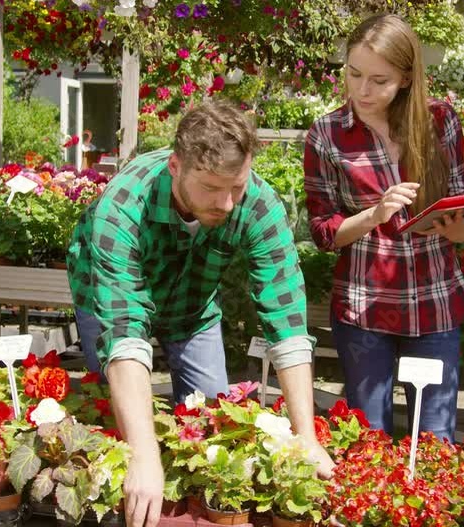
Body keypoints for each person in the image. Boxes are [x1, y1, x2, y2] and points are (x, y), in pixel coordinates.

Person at [67, 101, 335, 527]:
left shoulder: (259, 205)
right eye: (211, 188)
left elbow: (286, 321)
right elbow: (124, 334)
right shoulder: (122, 206)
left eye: (237, 187)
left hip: (192, 308)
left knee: (213, 427)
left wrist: (307, 437)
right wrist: (143, 456)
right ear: (176, 165)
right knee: (119, 429)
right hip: (110, 301)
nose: (227, 204)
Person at [303, 14, 464, 442]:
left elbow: (459, 208)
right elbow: (323, 231)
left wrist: (460, 232)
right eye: (353, 74)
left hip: (435, 303)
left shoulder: (440, 122)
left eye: (379, 80)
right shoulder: (327, 135)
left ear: (406, 79)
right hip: (364, 307)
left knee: (436, 440)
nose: (362, 90)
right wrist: (373, 215)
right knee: (368, 440)